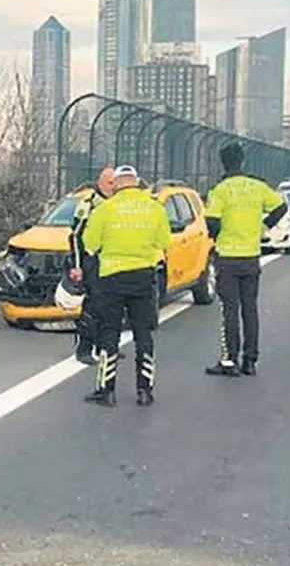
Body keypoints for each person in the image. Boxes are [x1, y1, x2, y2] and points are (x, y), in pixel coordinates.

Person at [81, 165, 170, 407]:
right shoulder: (154, 208)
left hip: (112, 277)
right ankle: (145, 390)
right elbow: (163, 242)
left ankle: (106, 391)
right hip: (143, 276)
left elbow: (89, 244)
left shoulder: (104, 209)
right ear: (136, 182)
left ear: (117, 184)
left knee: (110, 331)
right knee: (143, 332)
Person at [203, 143, 287, 378]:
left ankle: (230, 360)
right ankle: (250, 360)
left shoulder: (220, 190)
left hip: (228, 257)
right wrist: (263, 226)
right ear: (242, 161)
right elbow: (282, 206)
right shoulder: (257, 187)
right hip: (251, 256)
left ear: (223, 162)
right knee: (250, 309)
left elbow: (212, 222)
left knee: (229, 309)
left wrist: (218, 235)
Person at [68, 167, 117, 365]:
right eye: (109, 183)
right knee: (92, 307)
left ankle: (105, 347)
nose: (113, 188)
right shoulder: (89, 203)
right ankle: (84, 349)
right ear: (100, 182)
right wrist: (77, 266)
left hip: (113, 262)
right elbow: (75, 236)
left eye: (115, 183)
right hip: (92, 262)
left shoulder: (116, 204)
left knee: (111, 307)